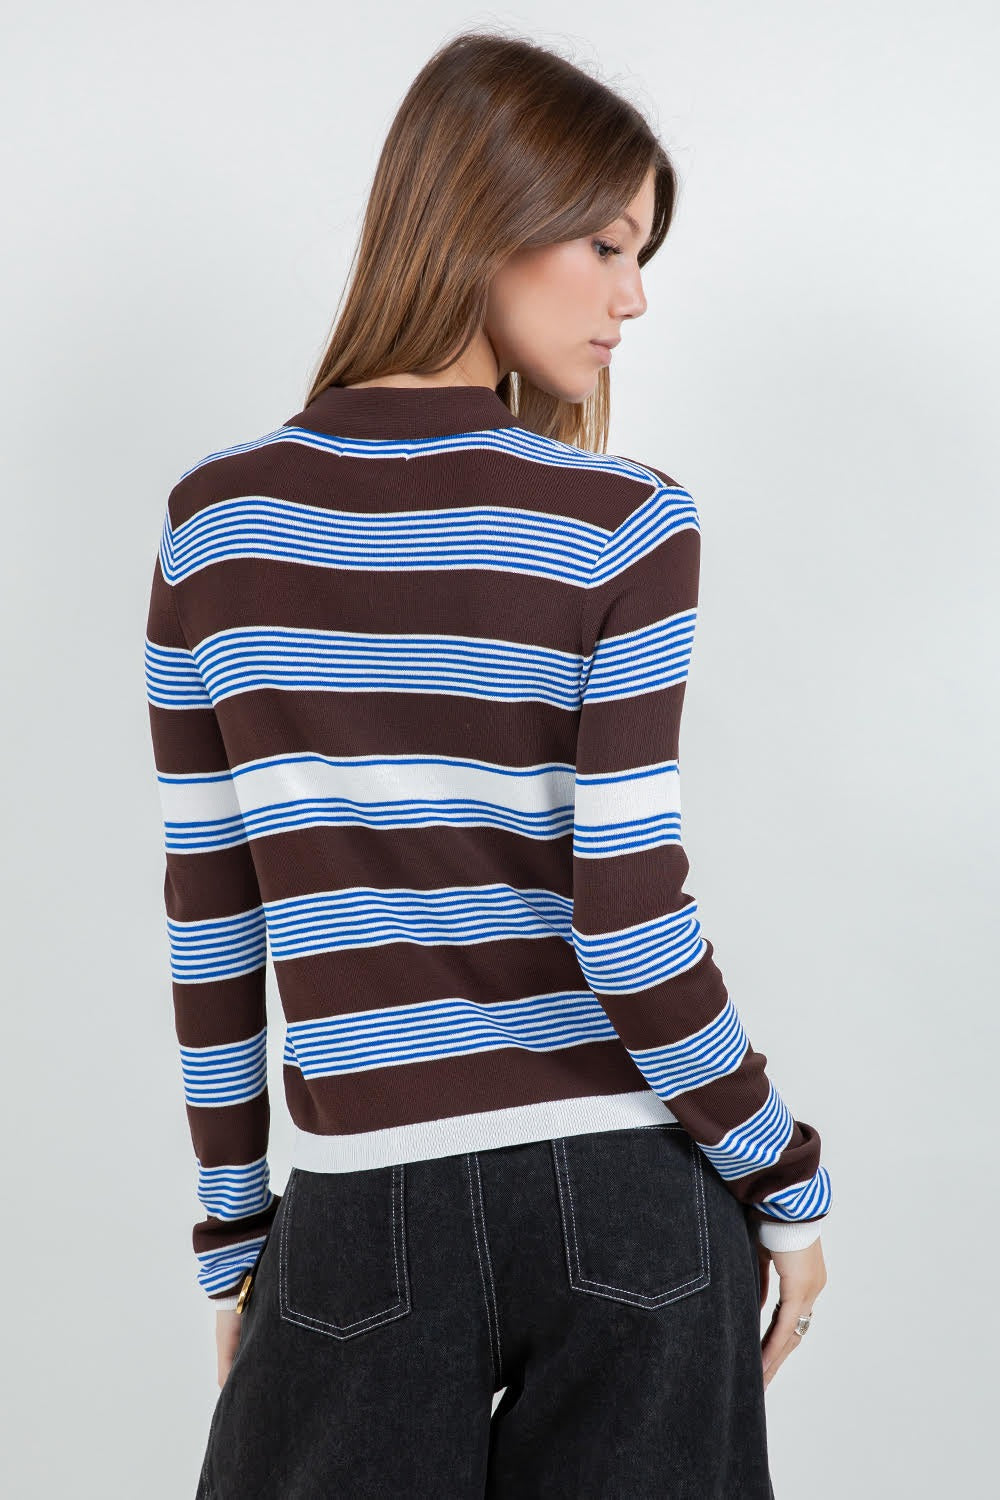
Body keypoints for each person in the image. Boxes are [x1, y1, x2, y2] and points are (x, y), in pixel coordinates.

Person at [144, 28, 830, 1498]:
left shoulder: (214, 528)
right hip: (632, 1200)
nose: (634, 297)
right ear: (488, 215)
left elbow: (214, 916)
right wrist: (787, 1173)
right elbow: (630, 923)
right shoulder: (624, 520)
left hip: (358, 1212)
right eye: (607, 244)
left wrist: (234, 1237)